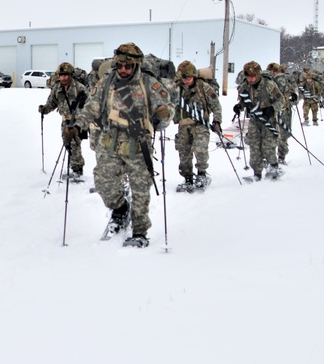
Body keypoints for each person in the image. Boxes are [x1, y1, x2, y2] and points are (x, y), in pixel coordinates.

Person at [78, 43, 174, 246]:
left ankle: (139, 231)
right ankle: (121, 209)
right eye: (119, 65)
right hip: (110, 141)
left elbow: (167, 111)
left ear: (136, 65)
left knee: (140, 189)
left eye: (127, 66)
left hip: (138, 145)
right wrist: (77, 124)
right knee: (103, 183)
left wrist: (164, 114)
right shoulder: (107, 81)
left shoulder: (149, 84)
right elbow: (92, 105)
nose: (123, 70)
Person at [172, 60, 222, 191]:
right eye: (184, 78)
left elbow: (216, 105)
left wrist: (217, 121)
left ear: (194, 75)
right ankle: (187, 179)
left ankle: (202, 175)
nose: (186, 80)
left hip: (200, 125)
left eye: (188, 77)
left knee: (200, 150)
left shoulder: (203, 87)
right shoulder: (176, 89)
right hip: (183, 126)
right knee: (184, 154)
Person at [233, 60, 284, 181]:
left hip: (268, 119)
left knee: (268, 146)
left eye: (253, 76)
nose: (250, 79)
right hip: (254, 120)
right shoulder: (245, 86)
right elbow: (243, 100)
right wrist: (239, 106)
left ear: (258, 74)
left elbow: (280, 100)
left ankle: (273, 167)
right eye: (248, 77)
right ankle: (257, 173)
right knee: (254, 146)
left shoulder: (269, 84)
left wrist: (272, 108)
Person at [39, 62, 89, 180]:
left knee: (74, 144)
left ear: (71, 75)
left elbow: (89, 106)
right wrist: (44, 109)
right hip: (65, 120)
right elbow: (52, 102)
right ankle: (75, 167)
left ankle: (77, 170)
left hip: (78, 121)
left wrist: (82, 123)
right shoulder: (57, 88)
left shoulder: (79, 88)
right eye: (61, 75)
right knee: (67, 144)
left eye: (66, 75)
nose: (63, 78)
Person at [266, 63, 296, 165]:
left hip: (283, 110)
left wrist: (293, 96)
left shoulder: (283, 79)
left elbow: (292, 92)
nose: (273, 73)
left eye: (274, 71)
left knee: (282, 135)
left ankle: (281, 156)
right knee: (269, 135)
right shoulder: (266, 81)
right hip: (270, 111)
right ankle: (270, 157)